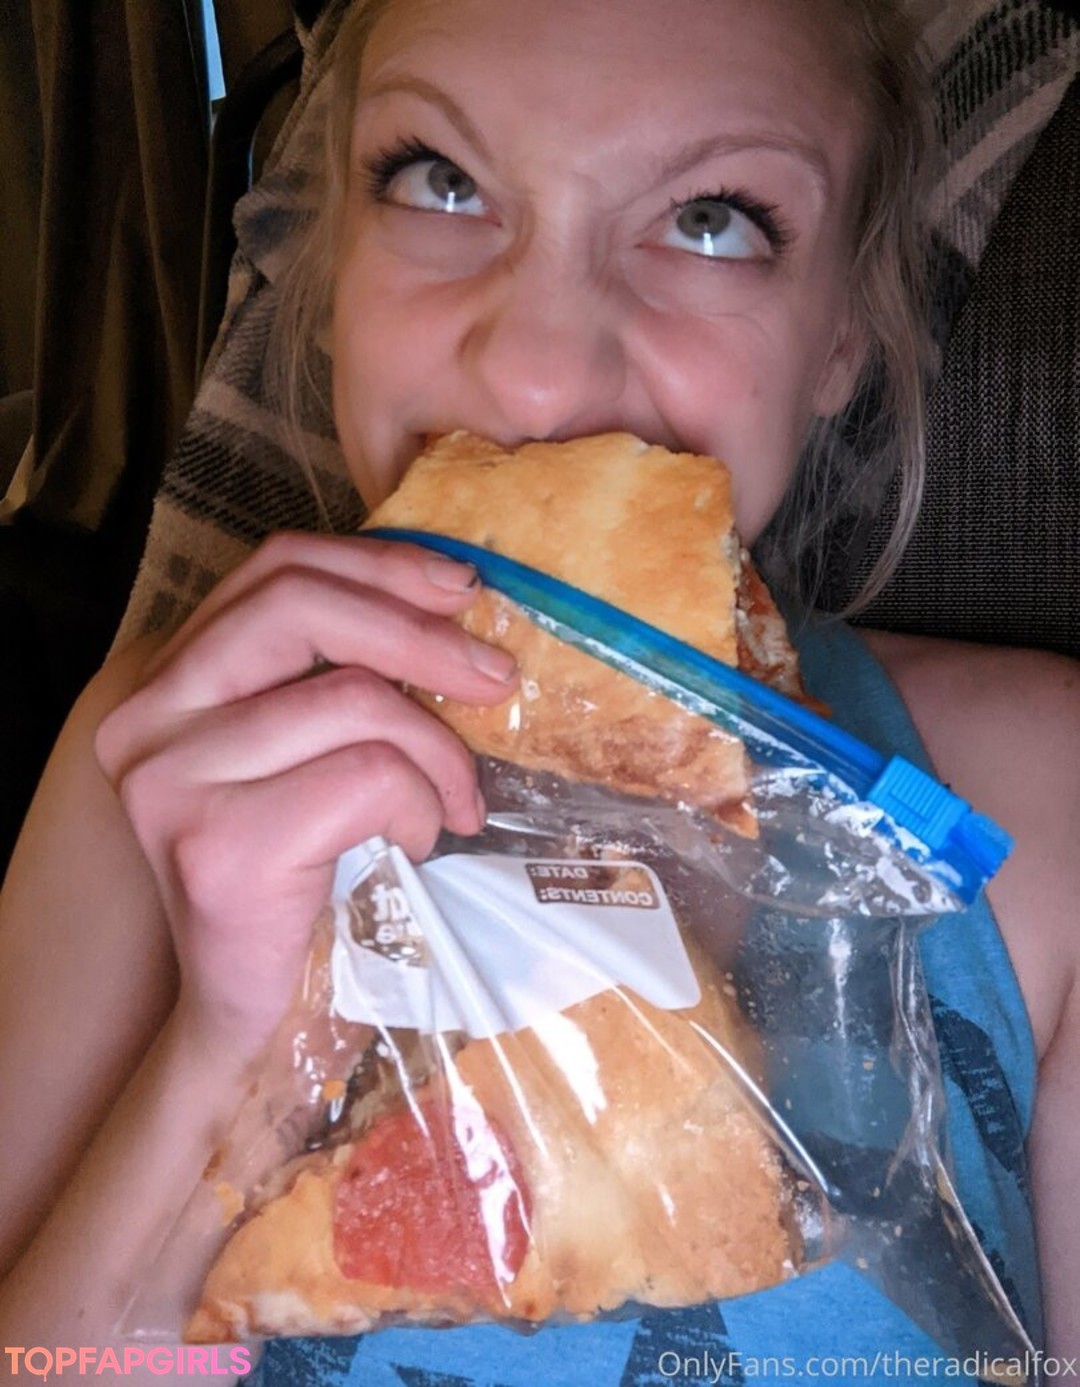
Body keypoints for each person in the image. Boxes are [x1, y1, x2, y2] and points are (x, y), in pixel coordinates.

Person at [1, 0, 1077, 1382]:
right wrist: (236, 1055)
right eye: (440, 181)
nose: (537, 375)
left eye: (712, 220)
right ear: (333, 278)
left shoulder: (1044, 796)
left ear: (841, 344)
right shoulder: (148, 763)